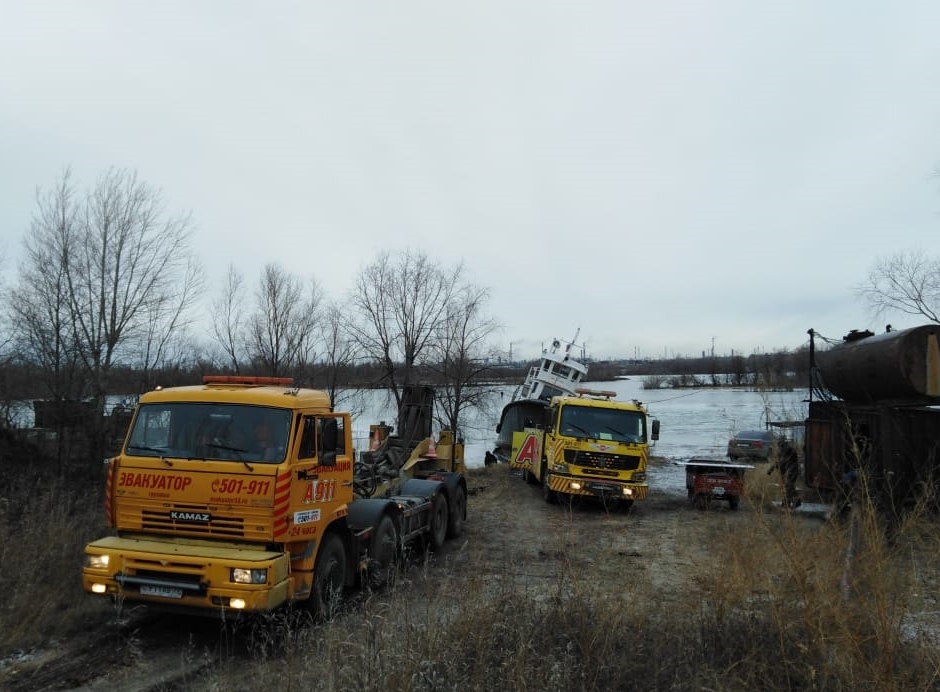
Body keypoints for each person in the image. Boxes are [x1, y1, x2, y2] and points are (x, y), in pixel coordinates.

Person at [767, 437, 801, 508]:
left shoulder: (791, 451)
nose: (781, 447)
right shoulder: (781, 452)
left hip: (792, 471)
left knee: (788, 486)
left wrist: (773, 468)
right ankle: (792, 501)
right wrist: (771, 469)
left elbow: (783, 461)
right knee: (788, 487)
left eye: (782, 445)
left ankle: (787, 503)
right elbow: (778, 462)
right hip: (786, 472)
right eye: (780, 446)